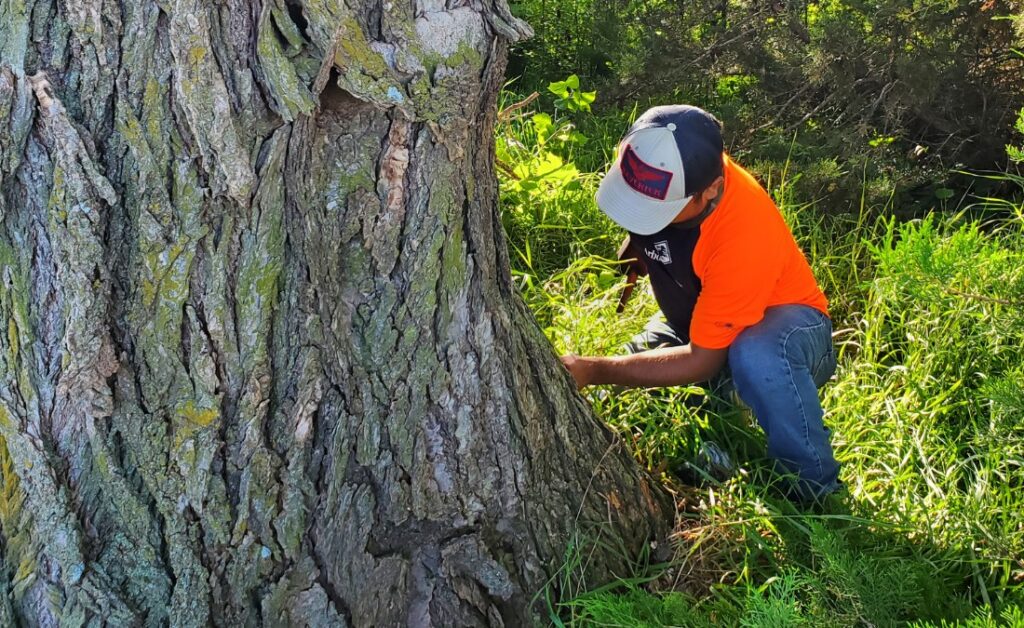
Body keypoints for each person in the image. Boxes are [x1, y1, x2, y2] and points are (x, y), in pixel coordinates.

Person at [559, 105, 840, 502]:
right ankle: (716, 426)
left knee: (755, 358)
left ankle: (813, 492)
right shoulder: (649, 156)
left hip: (787, 329)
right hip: (700, 319)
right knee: (621, 379)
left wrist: (597, 370)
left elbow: (701, 359)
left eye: (657, 213)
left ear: (710, 190)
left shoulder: (742, 235)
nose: (643, 220)